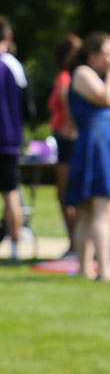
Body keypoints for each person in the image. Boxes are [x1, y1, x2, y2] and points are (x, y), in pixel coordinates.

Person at [66, 32, 110, 281]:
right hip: (96, 146)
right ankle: (104, 269)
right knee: (101, 208)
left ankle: (86, 269)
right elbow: (105, 98)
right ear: (93, 55)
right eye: (109, 52)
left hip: (105, 142)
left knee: (91, 210)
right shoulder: (83, 72)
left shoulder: (100, 77)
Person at [48, 34, 83, 258]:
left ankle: (75, 245)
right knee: (69, 195)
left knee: (66, 195)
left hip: (67, 140)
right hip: (67, 140)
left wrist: (71, 127)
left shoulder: (65, 78)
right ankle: (75, 243)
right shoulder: (69, 77)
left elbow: (67, 106)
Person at [0, 16, 28, 261]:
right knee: (11, 194)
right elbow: (28, 107)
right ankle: (15, 249)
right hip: (8, 140)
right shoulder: (13, 66)